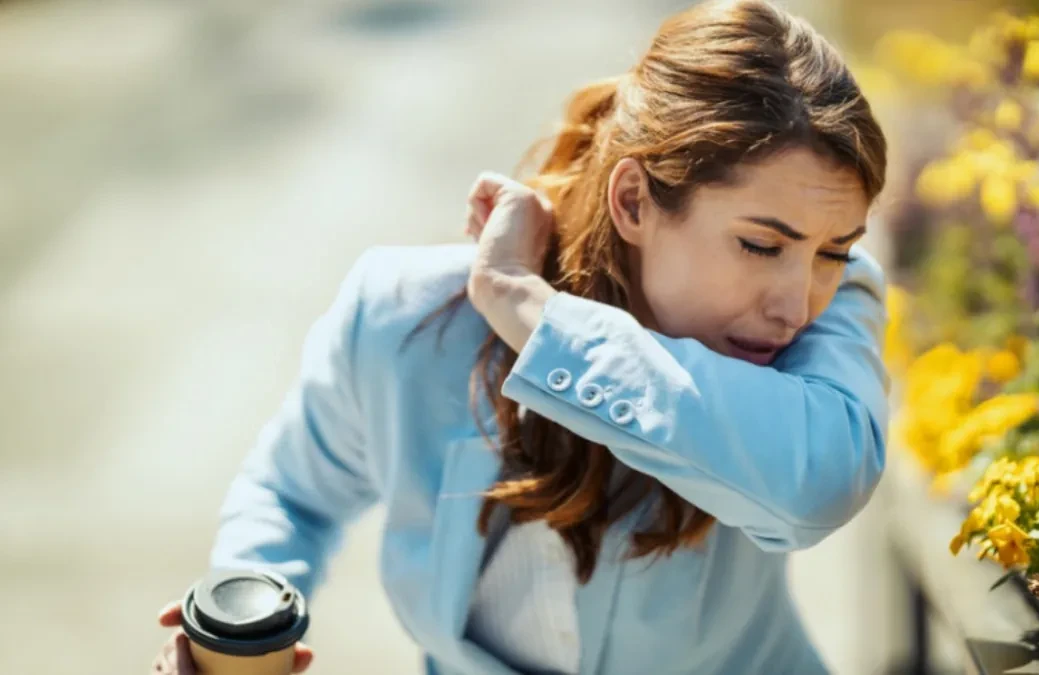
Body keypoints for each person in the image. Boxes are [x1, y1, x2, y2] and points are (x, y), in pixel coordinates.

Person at [151, 0, 889, 673]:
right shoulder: (406, 317)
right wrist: (245, 626)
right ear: (634, 200)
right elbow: (292, 491)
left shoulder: (838, 304)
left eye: (833, 249)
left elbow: (817, 485)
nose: (797, 301)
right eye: (762, 245)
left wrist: (526, 307)